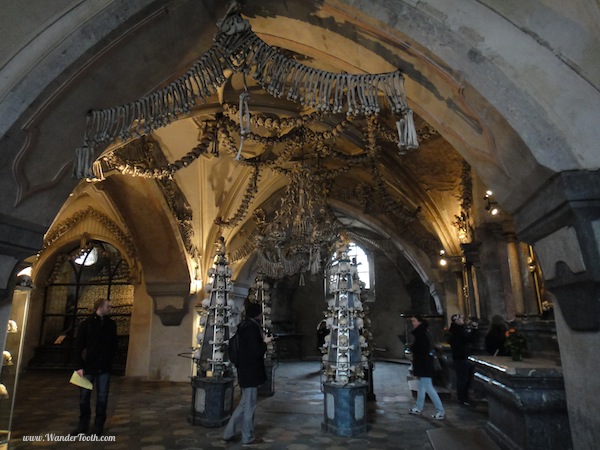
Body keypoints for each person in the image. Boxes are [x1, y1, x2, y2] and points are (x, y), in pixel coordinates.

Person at [223, 302, 273, 445]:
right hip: (251, 371)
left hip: (244, 370)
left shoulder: (243, 326)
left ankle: (228, 433)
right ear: (258, 314)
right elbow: (256, 351)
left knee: (244, 404)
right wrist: (265, 342)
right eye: (260, 313)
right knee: (249, 405)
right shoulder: (251, 328)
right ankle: (248, 437)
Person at [71, 298, 118, 436]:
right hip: (87, 367)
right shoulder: (86, 325)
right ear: (100, 307)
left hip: (103, 366)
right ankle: (83, 424)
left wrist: (110, 358)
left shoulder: (111, 325)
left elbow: (114, 344)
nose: (111, 309)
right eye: (108, 306)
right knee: (84, 397)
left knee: (102, 397)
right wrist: (78, 366)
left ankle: (98, 425)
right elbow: (79, 346)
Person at [408, 315, 445, 419]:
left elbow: (422, 349)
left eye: (414, 321)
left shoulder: (421, 334)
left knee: (428, 387)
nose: (413, 323)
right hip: (423, 364)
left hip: (424, 365)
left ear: (419, 322)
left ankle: (440, 411)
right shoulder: (422, 332)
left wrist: (412, 347)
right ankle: (419, 407)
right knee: (420, 386)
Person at [448, 314, 479, 406]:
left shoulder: (455, 330)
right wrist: (474, 330)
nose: (462, 320)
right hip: (462, 357)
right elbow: (469, 339)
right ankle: (463, 398)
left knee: (463, 378)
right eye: (461, 318)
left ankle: (463, 398)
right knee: (463, 379)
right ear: (456, 321)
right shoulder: (459, 331)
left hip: (460, 357)